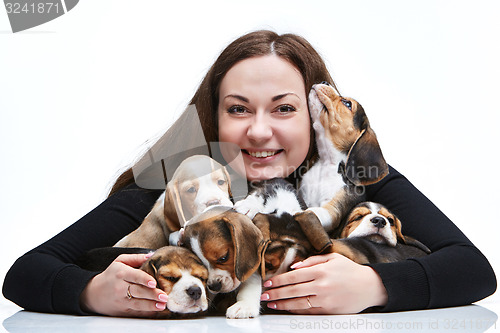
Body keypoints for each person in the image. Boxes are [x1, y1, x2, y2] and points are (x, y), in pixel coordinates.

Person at [3, 30, 496, 317]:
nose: (259, 131)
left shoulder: (357, 183)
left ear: (312, 114)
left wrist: (374, 286)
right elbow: (25, 274)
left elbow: (474, 269)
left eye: (283, 109)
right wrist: (90, 292)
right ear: (213, 119)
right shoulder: (180, 187)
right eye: (238, 110)